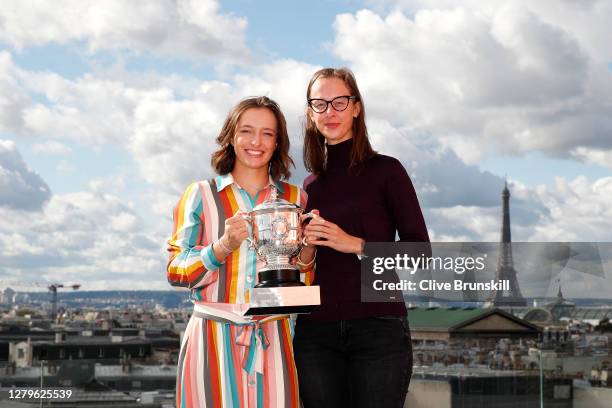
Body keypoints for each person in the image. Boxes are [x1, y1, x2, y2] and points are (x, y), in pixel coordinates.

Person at [293, 68, 430, 408]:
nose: (330, 111)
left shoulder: (387, 170)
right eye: (320, 104)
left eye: (340, 101)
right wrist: (307, 246)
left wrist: (355, 244)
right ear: (311, 114)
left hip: (378, 328)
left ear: (356, 108)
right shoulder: (309, 186)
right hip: (315, 332)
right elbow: (306, 268)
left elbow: (420, 253)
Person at [167, 96, 312, 407]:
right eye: (247, 131)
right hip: (211, 340)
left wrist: (310, 249)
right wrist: (222, 246)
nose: (256, 142)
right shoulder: (200, 194)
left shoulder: (296, 197)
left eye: (268, 133)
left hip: (274, 335)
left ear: (278, 143)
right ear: (231, 136)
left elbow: (302, 280)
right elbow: (176, 271)